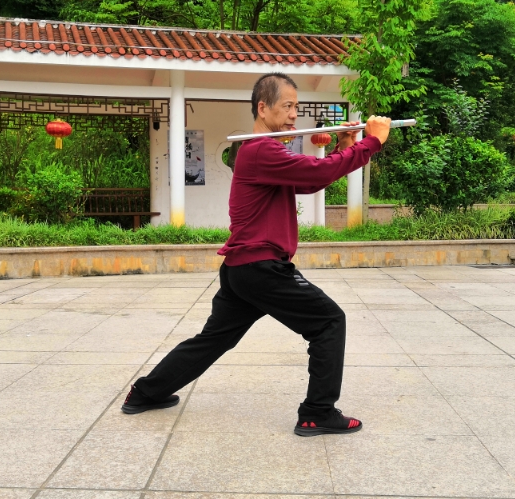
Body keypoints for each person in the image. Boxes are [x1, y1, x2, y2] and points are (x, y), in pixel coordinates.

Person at [121, 72, 391, 436]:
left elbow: (310, 181)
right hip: (261, 267)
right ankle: (317, 412)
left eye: (297, 106)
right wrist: (371, 143)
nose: (294, 114)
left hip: (242, 269)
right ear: (263, 108)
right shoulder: (262, 149)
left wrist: (346, 145)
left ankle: (144, 392)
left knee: (214, 339)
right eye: (287, 106)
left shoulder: (261, 150)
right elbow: (316, 174)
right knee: (329, 322)